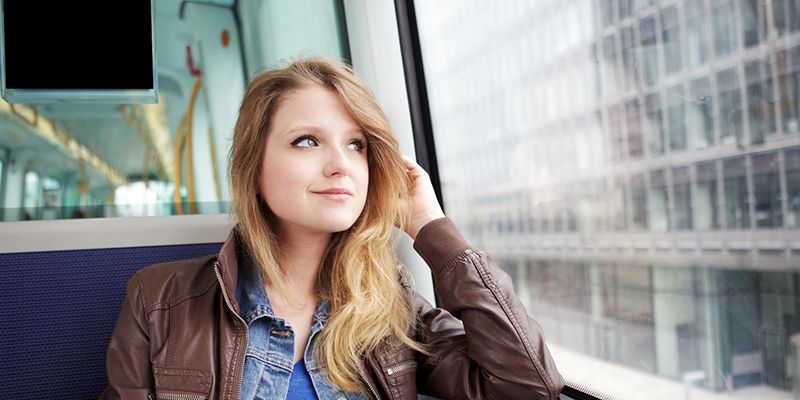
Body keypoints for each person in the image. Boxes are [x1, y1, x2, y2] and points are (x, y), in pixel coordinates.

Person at [101, 57, 564, 400]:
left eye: (356, 145)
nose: (341, 165)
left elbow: (527, 387)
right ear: (254, 167)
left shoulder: (391, 310)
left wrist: (430, 227)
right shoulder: (159, 300)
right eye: (308, 141)